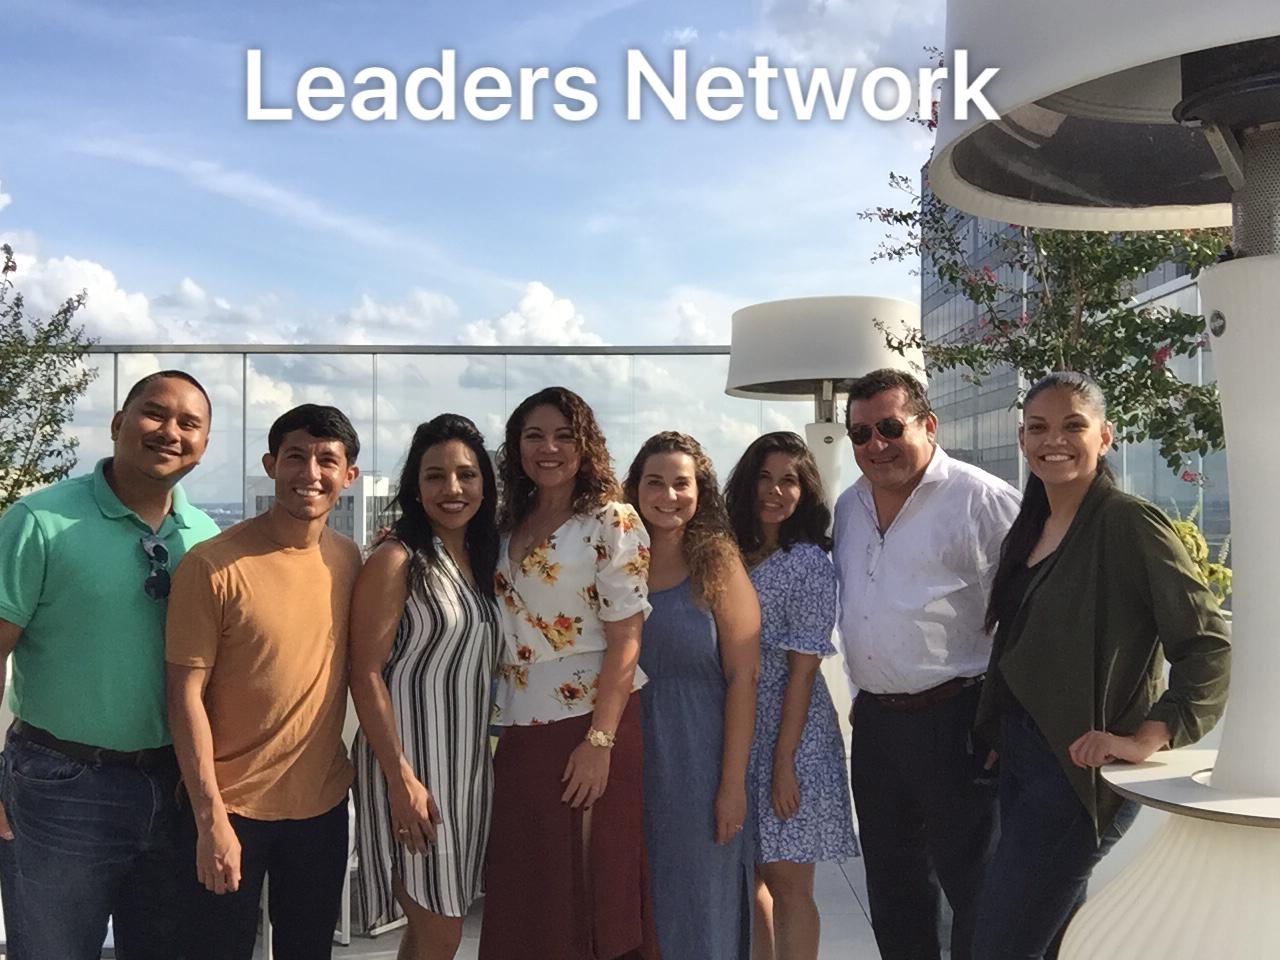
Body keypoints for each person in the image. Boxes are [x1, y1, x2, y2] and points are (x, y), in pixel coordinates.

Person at [970, 372, 1230, 959]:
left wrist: (1149, 736)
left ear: (1105, 436)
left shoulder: (1128, 523)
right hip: (1025, 759)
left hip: (1076, 774)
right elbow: (1027, 643)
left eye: (1072, 426)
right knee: (1051, 940)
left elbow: (1207, 643)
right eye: (1038, 427)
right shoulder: (1035, 523)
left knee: (1001, 943)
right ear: (1021, 439)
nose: (1052, 440)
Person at [0, 370, 216, 960]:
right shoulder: (40, 521)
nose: (170, 431)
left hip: (173, 788)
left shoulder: (205, 537)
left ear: (203, 447)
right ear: (119, 424)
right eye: (155, 414)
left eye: (189, 423)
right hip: (62, 786)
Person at [833, 367, 1020, 960]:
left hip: (959, 719)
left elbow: (1027, 615)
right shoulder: (849, 505)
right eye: (860, 434)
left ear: (928, 424)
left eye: (890, 427)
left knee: (977, 890)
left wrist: (1005, 719)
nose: (876, 444)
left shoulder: (983, 499)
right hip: (878, 727)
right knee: (894, 890)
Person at [166, 403, 363, 960]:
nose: (311, 473)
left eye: (328, 460)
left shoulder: (349, 560)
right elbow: (184, 698)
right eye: (296, 456)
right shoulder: (213, 565)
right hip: (230, 810)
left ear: (349, 477)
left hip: (321, 808)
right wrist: (210, 820)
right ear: (270, 465)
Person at [478, 386, 659, 960]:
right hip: (521, 725)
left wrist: (599, 742)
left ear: (585, 446)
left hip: (590, 722)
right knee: (530, 889)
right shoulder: (507, 522)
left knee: (590, 890)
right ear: (516, 447)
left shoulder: (612, 521)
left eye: (563, 435)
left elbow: (627, 639)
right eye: (534, 436)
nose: (548, 448)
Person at [350, 414, 501, 960]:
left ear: (486, 483)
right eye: (436, 476)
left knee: (429, 928)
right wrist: (400, 780)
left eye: (466, 474)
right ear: (415, 487)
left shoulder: (482, 560)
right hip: (413, 774)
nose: (453, 489)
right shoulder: (398, 559)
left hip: (466, 773)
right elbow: (363, 671)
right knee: (442, 930)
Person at [624, 431, 761, 960]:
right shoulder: (615, 555)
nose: (668, 495)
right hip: (628, 756)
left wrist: (731, 786)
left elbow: (744, 679)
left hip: (700, 759)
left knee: (699, 904)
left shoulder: (718, 564)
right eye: (654, 482)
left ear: (700, 490)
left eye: (681, 483)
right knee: (637, 906)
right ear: (634, 488)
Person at [724, 431, 858, 960]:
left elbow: (802, 674)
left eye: (788, 481)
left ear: (805, 493)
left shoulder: (807, 563)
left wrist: (784, 763)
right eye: (764, 476)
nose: (774, 491)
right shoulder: (727, 553)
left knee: (789, 882)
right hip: (734, 727)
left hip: (792, 734)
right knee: (747, 876)